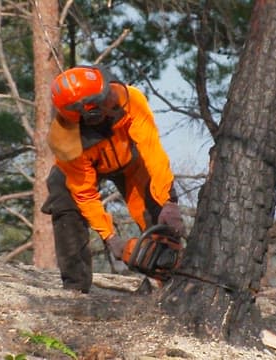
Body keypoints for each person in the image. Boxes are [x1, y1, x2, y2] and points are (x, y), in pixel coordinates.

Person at [41, 65, 185, 293]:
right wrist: (111, 239)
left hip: (130, 162)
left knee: (155, 210)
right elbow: (85, 194)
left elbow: (153, 151)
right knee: (63, 197)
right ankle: (75, 287)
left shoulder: (130, 99)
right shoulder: (69, 145)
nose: (114, 96)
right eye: (106, 96)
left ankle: (172, 282)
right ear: (91, 113)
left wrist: (169, 200)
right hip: (86, 167)